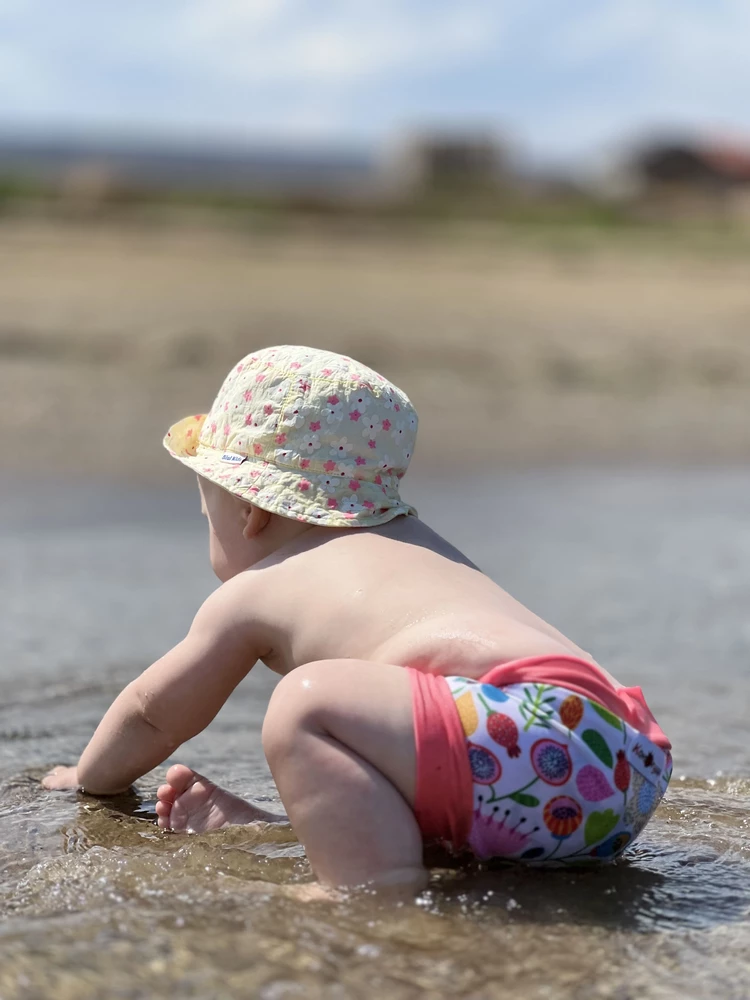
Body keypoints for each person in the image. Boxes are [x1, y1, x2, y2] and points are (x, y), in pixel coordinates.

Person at [42, 345, 672, 893]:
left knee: (306, 704)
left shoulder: (257, 588)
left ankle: (370, 894)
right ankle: (315, 837)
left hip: (530, 742)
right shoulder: (421, 545)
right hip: (619, 761)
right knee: (403, 733)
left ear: (251, 512)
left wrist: (88, 778)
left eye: (208, 517)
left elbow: (153, 711)